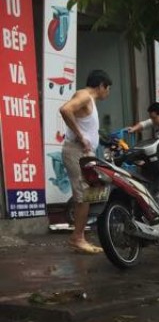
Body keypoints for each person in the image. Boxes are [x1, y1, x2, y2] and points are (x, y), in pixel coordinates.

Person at [59, 69, 113, 254]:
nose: (108, 92)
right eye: (108, 88)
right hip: (75, 151)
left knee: (89, 194)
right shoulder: (84, 95)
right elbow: (65, 109)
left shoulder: (90, 100)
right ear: (101, 86)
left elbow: (86, 124)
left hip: (84, 153)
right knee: (83, 195)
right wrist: (81, 136)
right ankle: (77, 239)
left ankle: (79, 236)